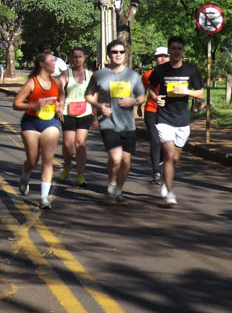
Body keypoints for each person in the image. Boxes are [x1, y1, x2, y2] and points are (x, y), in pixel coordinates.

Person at [85, 39, 146, 205]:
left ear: (125, 54)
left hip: (128, 124)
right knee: (115, 157)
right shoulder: (99, 75)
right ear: (109, 54)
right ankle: (111, 184)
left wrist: (133, 101)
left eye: (121, 52)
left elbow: (142, 96)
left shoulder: (133, 75)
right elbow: (88, 95)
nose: (118, 55)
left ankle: (118, 190)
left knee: (126, 160)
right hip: (108, 122)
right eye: (114, 52)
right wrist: (99, 106)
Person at [148, 36, 204, 207]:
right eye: (173, 48)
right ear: (169, 51)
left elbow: (200, 93)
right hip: (164, 118)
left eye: (179, 48)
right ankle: (170, 192)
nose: (176, 51)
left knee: (175, 159)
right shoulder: (161, 70)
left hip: (182, 120)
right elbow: (151, 87)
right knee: (169, 155)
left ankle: (166, 182)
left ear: (183, 51)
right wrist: (156, 98)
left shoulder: (190, 70)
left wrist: (186, 91)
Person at [13, 52, 65, 210]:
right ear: (42, 64)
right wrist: (34, 106)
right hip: (31, 123)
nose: (55, 63)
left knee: (48, 160)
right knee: (33, 160)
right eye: (51, 60)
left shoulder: (57, 82)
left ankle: (44, 197)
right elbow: (16, 104)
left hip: (50, 122)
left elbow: (61, 97)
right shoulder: (31, 83)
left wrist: (60, 107)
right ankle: (25, 175)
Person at [58, 47, 93, 188]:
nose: (77, 59)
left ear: (84, 58)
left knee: (80, 143)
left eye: (80, 56)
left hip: (85, 112)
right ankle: (67, 166)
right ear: (71, 59)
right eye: (75, 57)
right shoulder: (66, 74)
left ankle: (80, 174)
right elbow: (59, 92)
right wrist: (59, 107)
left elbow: (95, 94)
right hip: (68, 112)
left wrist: (96, 115)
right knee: (68, 144)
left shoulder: (90, 74)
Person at [141, 46, 170, 184]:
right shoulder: (148, 75)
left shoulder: (174, 75)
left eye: (165, 56)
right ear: (155, 58)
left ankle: (160, 162)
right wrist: (139, 105)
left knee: (166, 141)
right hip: (151, 110)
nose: (162, 58)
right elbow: (141, 91)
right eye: (159, 56)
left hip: (169, 113)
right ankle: (156, 172)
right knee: (155, 140)